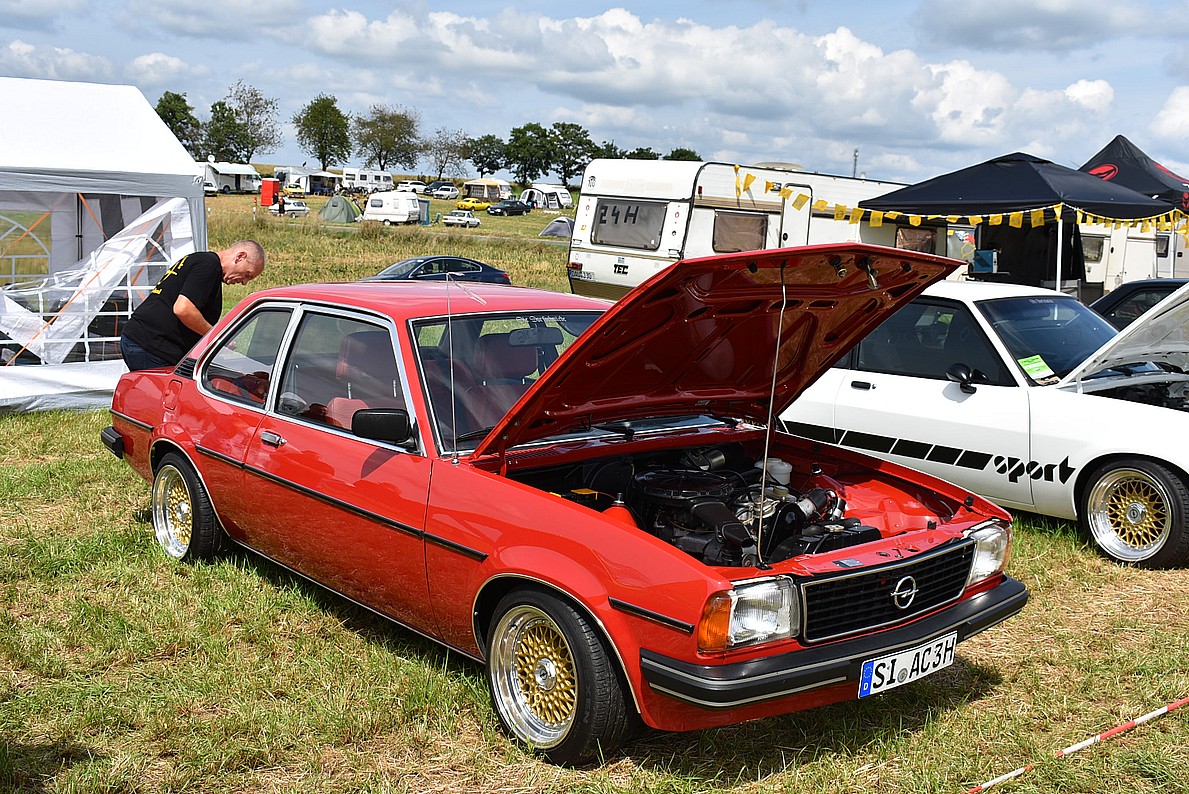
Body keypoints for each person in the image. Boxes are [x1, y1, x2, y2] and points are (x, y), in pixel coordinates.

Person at [119, 240, 266, 371]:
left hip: (143, 340)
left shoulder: (201, 261)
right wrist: (218, 337)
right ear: (240, 256)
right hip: (152, 345)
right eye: (247, 274)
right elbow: (183, 309)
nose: (244, 282)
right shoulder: (208, 265)